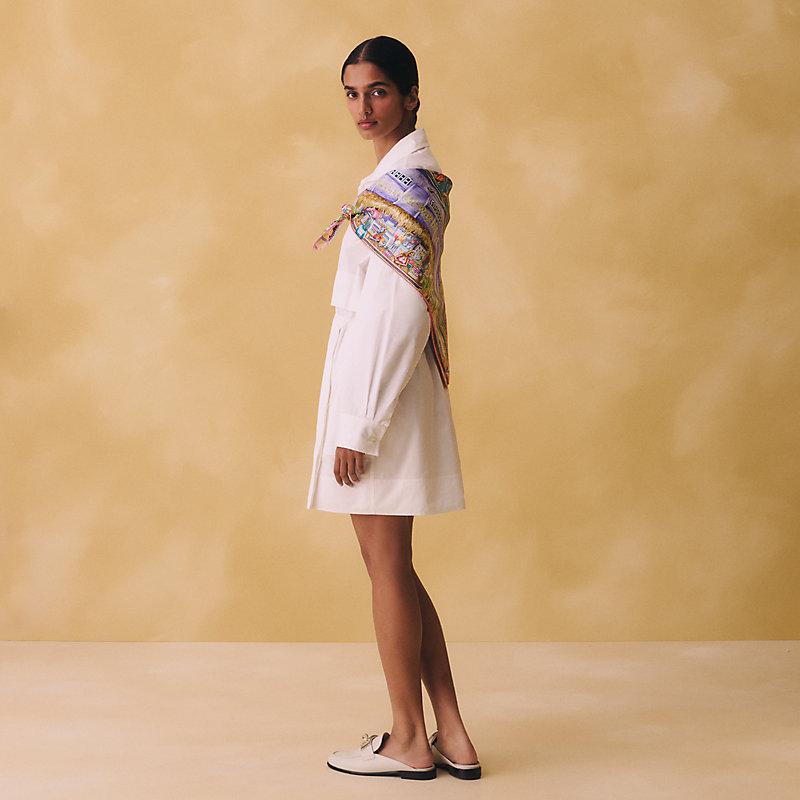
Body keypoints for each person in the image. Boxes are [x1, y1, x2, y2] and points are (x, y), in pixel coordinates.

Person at [308, 36, 480, 781]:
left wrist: (360, 424)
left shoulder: (403, 187)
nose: (363, 107)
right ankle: (453, 734)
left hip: (379, 407)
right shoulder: (400, 178)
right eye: (352, 93)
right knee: (395, 570)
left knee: (386, 570)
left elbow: (400, 317)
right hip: (382, 399)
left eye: (377, 91)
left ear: (411, 95)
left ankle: (410, 740)